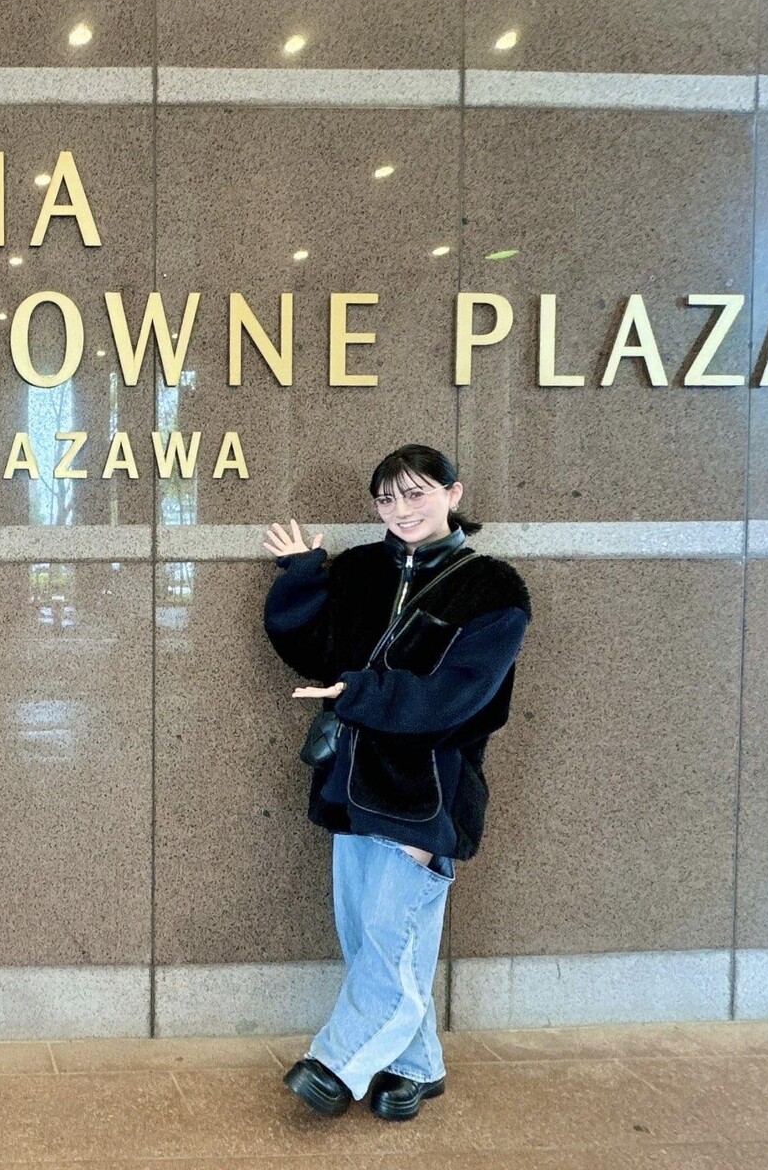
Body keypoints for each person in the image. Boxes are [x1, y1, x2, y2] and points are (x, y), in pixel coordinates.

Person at [262, 443, 530, 1122]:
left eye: (416, 493)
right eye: (387, 499)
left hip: (428, 786)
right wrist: (302, 577)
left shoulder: (494, 589)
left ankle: (336, 1064)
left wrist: (358, 693)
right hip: (352, 780)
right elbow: (313, 649)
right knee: (370, 937)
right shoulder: (359, 570)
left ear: (453, 494)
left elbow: (460, 698)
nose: (401, 510)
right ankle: (418, 1066)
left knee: (391, 930)